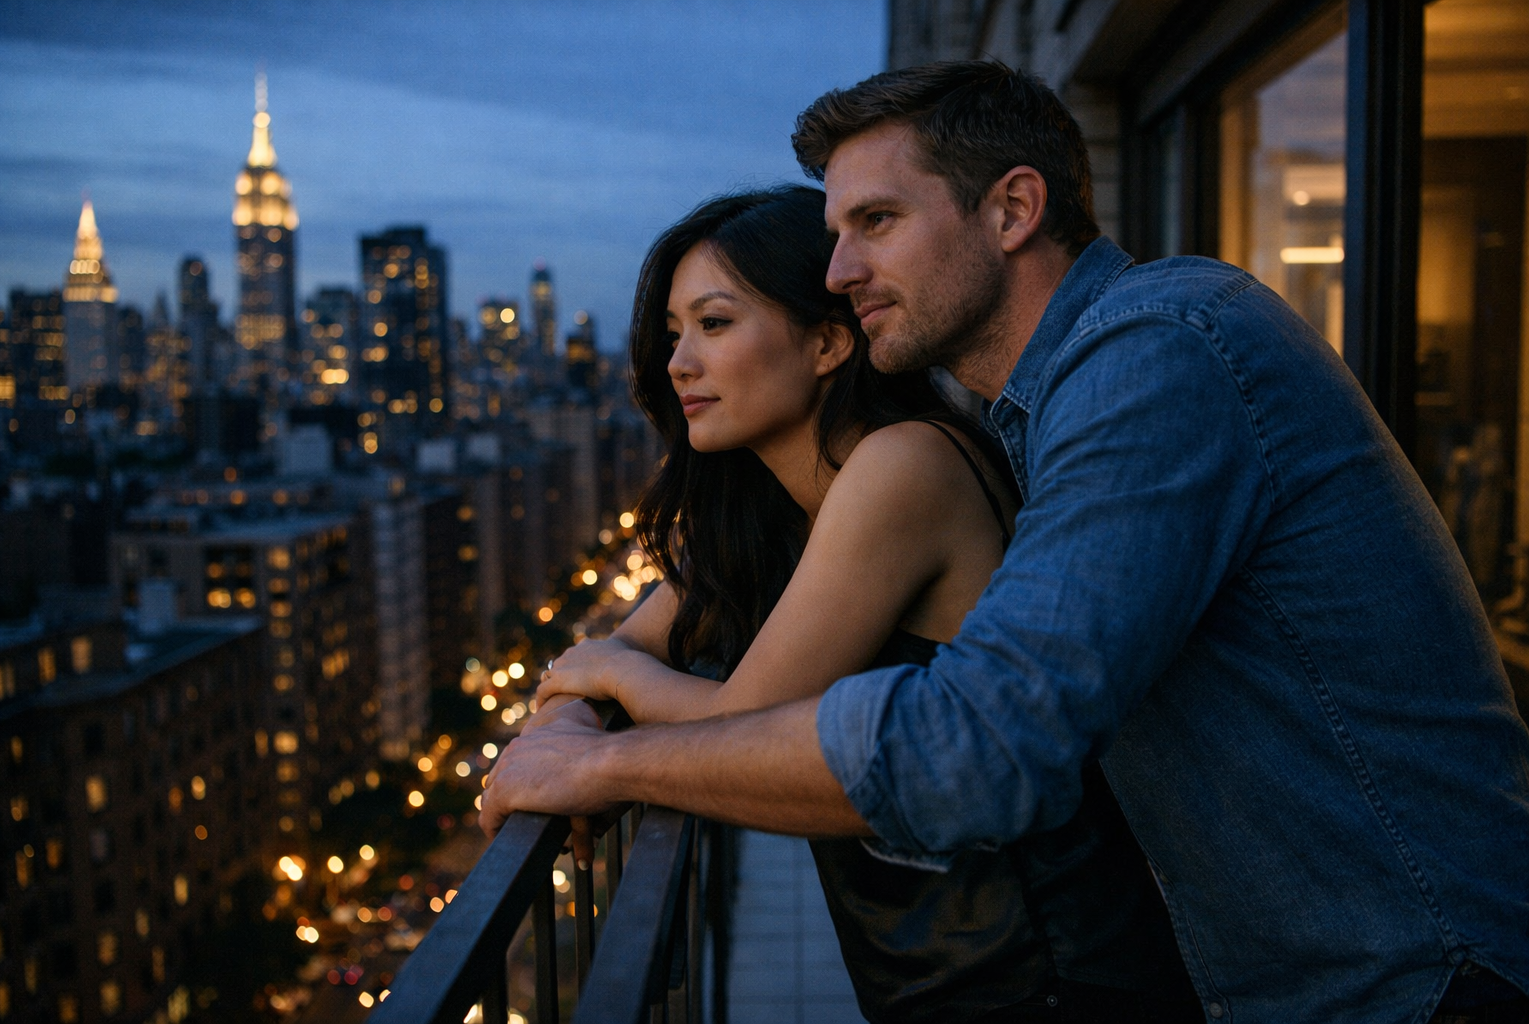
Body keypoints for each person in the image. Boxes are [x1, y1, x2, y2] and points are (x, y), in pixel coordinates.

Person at [482, 62, 1529, 1024]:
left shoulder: (1158, 354)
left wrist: (610, 764)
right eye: (838, 232)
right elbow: (708, 597)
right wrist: (597, 692)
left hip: (1422, 979)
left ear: (1014, 210)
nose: (839, 268)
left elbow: (977, 746)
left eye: (877, 222)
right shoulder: (1035, 416)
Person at [522, 184, 1197, 1022]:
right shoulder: (778, 506)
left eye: (716, 323)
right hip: (936, 972)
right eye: (672, 334)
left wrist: (607, 693)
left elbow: (741, 724)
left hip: (1046, 973)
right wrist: (575, 711)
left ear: (829, 342)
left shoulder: (905, 463)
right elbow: (623, 651)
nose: (679, 364)